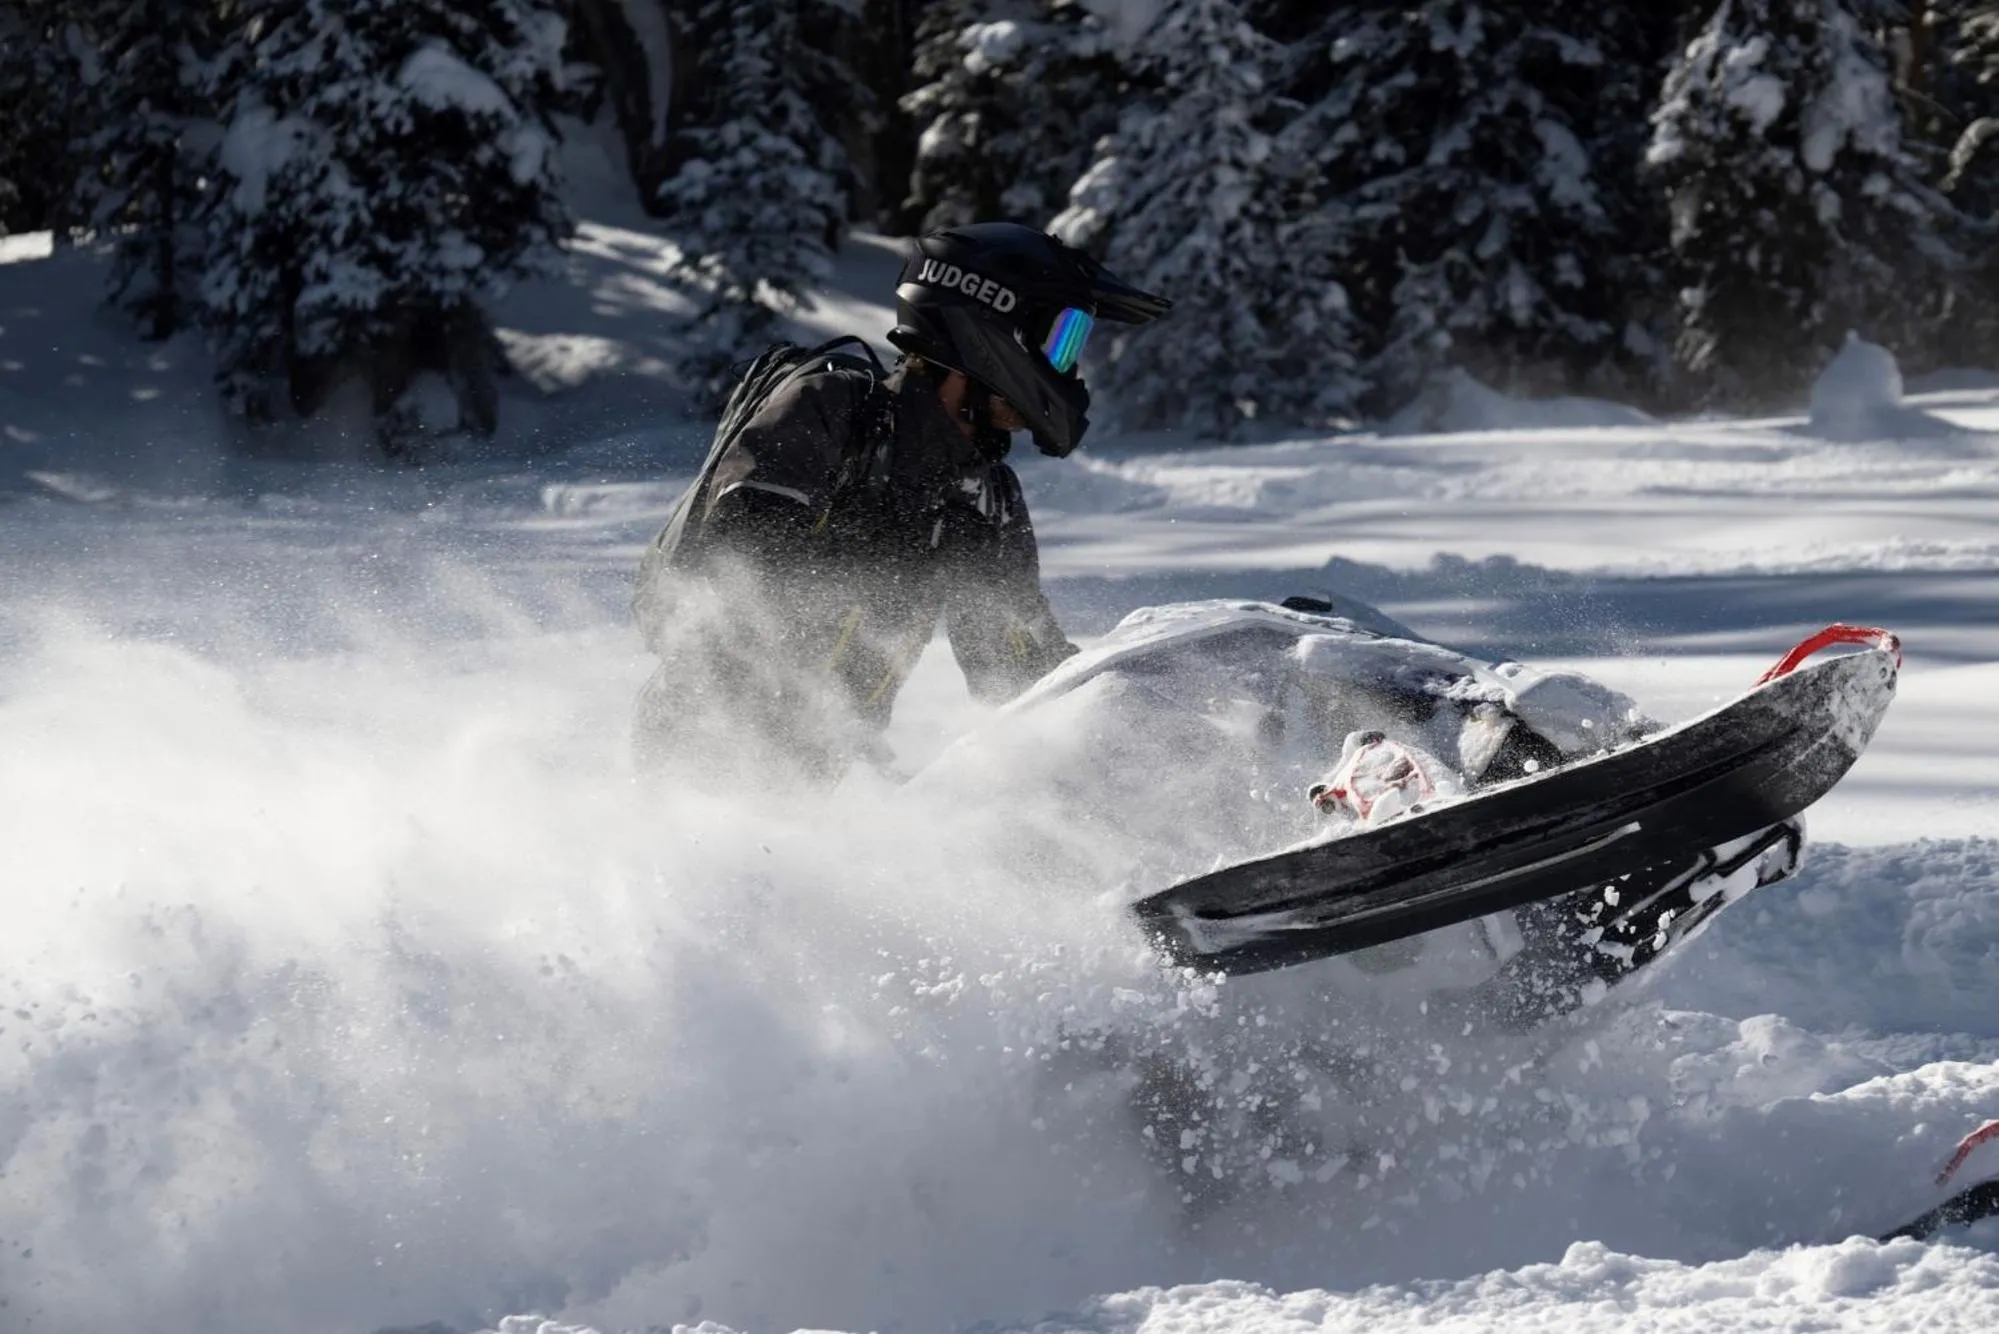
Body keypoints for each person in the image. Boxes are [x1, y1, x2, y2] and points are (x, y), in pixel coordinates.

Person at [631, 222, 1172, 784]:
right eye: (1061, 341)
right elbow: (736, 580)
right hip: (700, 760)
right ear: (988, 329)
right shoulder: (835, 412)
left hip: (826, 783)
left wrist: (1151, 706)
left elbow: (1018, 670)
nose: (1067, 368)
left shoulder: (986, 496)